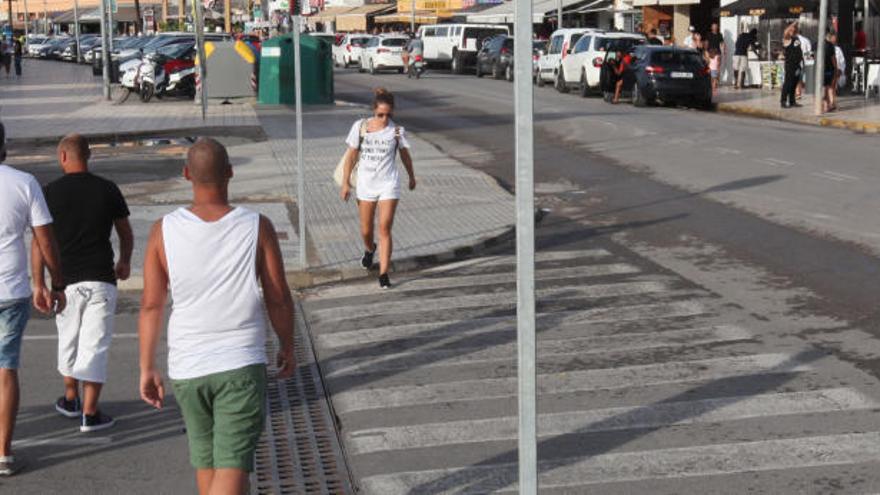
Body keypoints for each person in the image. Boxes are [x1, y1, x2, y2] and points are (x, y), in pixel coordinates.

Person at [138, 138, 295, 495]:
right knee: (232, 465)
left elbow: (151, 304)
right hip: (239, 364)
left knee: (209, 464)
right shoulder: (257, 226)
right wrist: (287, 343)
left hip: (187, 369)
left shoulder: (162, 230)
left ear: (186, 175)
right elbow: (278, 296)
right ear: (230, 173)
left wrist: (147, 366)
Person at [32, 134, 133, 433]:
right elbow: (125, 233)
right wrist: (124, 261)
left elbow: (39, 243)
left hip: (66, 283)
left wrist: (40, 282)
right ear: (88, 156)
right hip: (102, 279)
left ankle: (71, 398)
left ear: (63, 156)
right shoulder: (108, 189)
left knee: (69, 338)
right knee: (95, 344)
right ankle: (91, 413)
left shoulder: (48, 193)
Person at [0, 122, 66, 476]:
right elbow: (45, 240)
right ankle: (3, 454)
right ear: (4, 145)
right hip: (10, 292)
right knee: (5, 368)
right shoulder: (23, 183)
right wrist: (56, 282)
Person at [339, 88, 416, 289]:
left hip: (388, 184)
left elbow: (405, 156)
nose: (384, 119)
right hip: (365, 184)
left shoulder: (397, 131)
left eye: (388, 115)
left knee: (384, 228)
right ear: (374, 110)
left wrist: (411, 176)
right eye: (380, 114)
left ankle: (383, 273)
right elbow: (351, 156)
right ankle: (369, 248)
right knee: (366, 230)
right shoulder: (360, 126)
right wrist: (346, 182)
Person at [781, 23, 804, 108]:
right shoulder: (787, 39)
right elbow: (785, 32)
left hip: (797, 65)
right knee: (788, 83)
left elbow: (796, 31)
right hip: (790, 65)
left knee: (794, 83)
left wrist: (795, 26)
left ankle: (792, 101)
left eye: (794, 29)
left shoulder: (796, 38)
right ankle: (783, 101)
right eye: (791, 29)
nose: (793, 30)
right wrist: (793, 23)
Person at [823, 30, 840, 112]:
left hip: (821, 69)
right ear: (832, 36)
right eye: (835, 37)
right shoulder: (830, 45)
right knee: (830, 87)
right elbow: (833, 58)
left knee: (827, 87)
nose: (836, 39)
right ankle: (830, 104)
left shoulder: (819, 44)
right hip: (829, 69)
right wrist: (836, 68)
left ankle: (828, 105)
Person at [794, 24, 812, 99]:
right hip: (805, 60)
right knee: (800, 77)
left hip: (797, 61)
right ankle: (799, 92)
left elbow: (794, 51)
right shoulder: (807, 40)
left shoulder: (796, 40)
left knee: (797, 77)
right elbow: (809, 52)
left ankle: (797, 93)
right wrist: (809, 62)